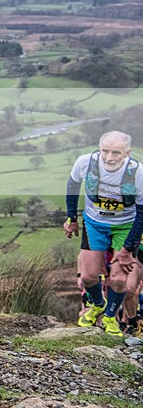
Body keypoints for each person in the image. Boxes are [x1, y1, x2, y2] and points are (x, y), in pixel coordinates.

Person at [64, 131, 143, 337]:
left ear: (127, 153)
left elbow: (142, 213)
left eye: (116, 153)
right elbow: (72, 186)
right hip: (95, 224)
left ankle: (110, 317)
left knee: (118, 280)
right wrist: (72, 218)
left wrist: (128, 249)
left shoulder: (137, 172)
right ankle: (98, 304)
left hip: (125, 225)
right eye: (105, 151)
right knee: (89, 277)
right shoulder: (85, 163)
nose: (109, 158)